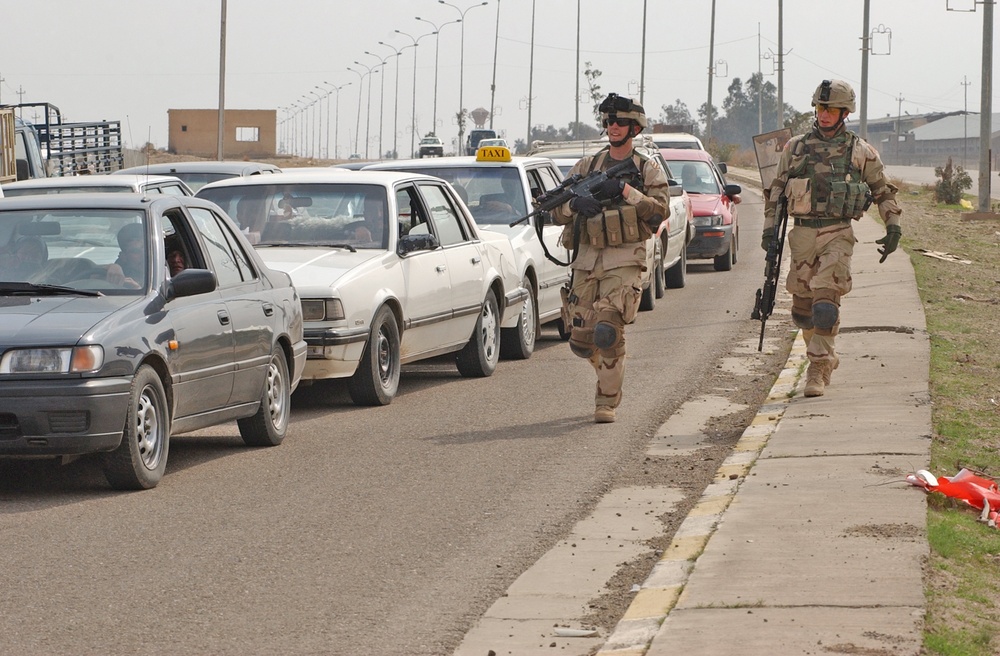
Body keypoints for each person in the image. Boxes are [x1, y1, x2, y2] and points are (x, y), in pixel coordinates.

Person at [761, 79, 903, 397]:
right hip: (802, 235)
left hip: (838, 233)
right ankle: (828, 354)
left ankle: (818, 368)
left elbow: (882, 189)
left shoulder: (860, 151)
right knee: (802, 311)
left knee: (825, 304)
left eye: (832, 109)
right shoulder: (795, 148)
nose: (824, 114)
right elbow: (776, 192)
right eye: (821, 107)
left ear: (844, 113)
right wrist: (770, 230)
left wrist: (892, 224)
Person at [554, 93, 671, 424]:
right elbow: (556, 212)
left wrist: (623, 192)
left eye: (620, 122)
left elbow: (660, 210)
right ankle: (611, 361)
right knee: (581, 341)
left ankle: (606, 400)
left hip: (624, 259)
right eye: (608, 121)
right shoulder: (586, 167)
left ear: (634, 127)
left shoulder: (646, 167)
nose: (613, 127)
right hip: (586, 259)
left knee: (607, 330)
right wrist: (574, 206)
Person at [106, 222, 145, 288]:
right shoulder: (119, 273)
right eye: (136, 251)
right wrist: (111, 267)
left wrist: (138, 289)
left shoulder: (161, 271)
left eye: (148, 250)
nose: (144, 256)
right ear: (123, 257)